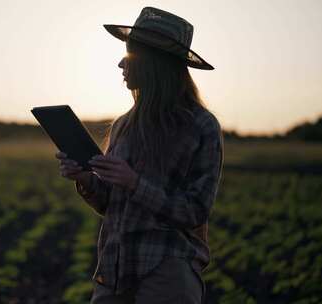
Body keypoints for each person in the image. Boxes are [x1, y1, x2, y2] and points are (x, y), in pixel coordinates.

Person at [55, 6, 224, 304]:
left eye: (131, 55)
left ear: (156, 64)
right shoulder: (123, 124)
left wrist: (135, 183)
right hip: (114, 271)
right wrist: (85, 178)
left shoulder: (200, 125)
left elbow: (196, 211)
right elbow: (111, 204)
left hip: (167, 275)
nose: (122, 63)